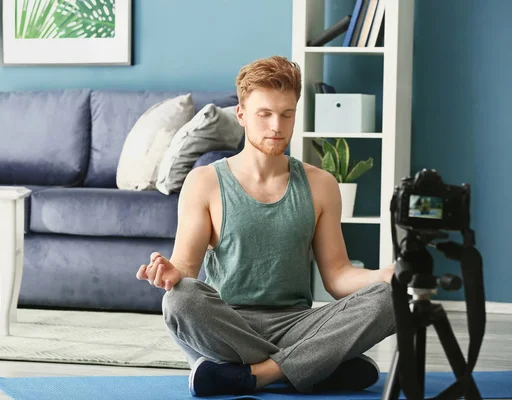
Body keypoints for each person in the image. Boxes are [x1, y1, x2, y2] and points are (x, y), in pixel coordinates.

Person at [136, 55, 396, 397]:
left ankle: (250, 374)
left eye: (287, 114)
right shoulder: (204, 182)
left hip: (296, 323)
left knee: (391, 299)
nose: (277, 126)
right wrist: (171, 273)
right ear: (242, 115)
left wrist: (385, 276)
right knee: (179, 300)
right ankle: (310, 366)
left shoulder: (321, 185)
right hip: (227, 322)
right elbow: (185, 269)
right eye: (265, 114)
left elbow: (337, 276)